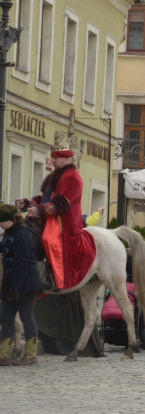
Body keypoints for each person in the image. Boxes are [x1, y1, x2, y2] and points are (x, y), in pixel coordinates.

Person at [39, 134, 95, 290]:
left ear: (64, 158)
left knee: (48, 239)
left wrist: (39, 211)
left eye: (55, 158)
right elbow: (45, 198)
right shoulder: (55, 176)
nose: (52, 161)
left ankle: (52, 276)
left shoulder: (72, 178)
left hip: (64, 221)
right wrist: (27, 204)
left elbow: (62, 204)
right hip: (51, 217)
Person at [0, 204, 45, 366]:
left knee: (27, 318)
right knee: (6, 319)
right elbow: (5, 249)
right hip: (10, 283)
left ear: (8, 220)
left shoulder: (22, 235)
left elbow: (22, 265)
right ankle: (4, 355)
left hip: (25, 285)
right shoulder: (9, 233)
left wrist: (15, 290)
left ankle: (31, 355)